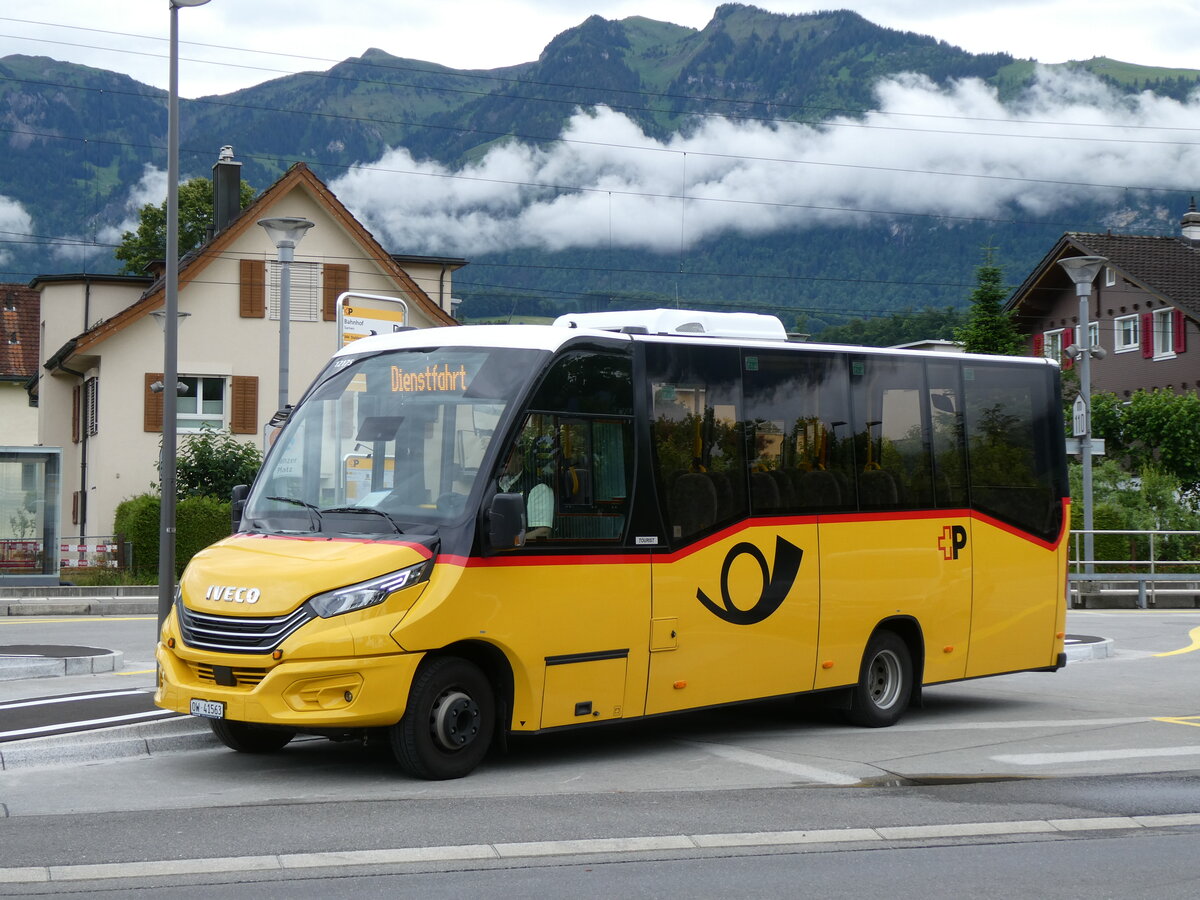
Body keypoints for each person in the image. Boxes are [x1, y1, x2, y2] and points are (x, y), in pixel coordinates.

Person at [498, 440, 554, 540]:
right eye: (499, 457)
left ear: (519, 458)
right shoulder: (493, 485)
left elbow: (543, 532)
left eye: (506, 457)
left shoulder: (538, 488)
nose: (502, 462)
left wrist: (511, 542)